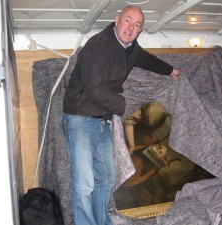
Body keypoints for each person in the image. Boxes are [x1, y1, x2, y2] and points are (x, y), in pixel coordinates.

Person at [61, 5, 182, 225]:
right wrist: (124, 106)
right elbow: (96, 89)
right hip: (80, 119)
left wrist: (171, 70)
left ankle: (102, 221)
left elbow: (147, 59)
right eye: (128, 20)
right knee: (85, 184)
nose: (131, 27)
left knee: (106, 179)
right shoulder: (98, 46)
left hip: (102, 121)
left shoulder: (131, 48)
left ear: (139, 31)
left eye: (137, 25)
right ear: (117, 20)